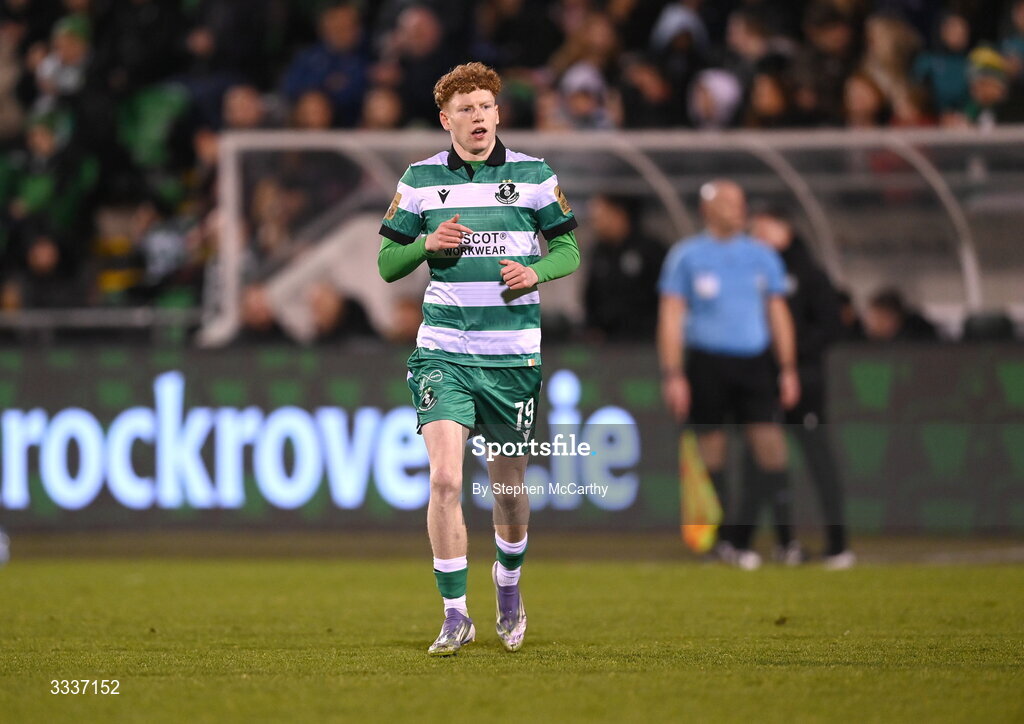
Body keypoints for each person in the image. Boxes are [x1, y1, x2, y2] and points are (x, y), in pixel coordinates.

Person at [376, 62, 579, 655]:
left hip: (513, 355)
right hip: (443, 350)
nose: (478, 117)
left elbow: (568, 248)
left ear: (498, 114)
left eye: (486, 107)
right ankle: (454, 613)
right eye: (465, 109)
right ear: (446, 120)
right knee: (443, 478)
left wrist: (534, 271)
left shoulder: (535, 176)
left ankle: (508, 589)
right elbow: (388, 266)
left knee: (508, 490)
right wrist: (424, 244)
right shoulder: (418, 180)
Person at [658, 180, 799, 570]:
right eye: (727, 202)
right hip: (706, 363)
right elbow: (671, 316)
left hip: (755, 364)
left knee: (770, 449)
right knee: (713, 456)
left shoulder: (762, 256)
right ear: (707, 209)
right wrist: (673, 373)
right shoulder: (686, 256)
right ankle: (723, 541)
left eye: (740, 201)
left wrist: (787, 368)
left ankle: (787, 541)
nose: (737, 208)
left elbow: (778, 314)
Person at [750, 206, 855, 569]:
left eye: (765, 224)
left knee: (818, 462)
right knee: (762, 463)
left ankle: (838, 544)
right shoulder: (755, 272)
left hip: (805, 383)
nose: (758, 233)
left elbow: (830, 327)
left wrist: (789, 358)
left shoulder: (810, 274)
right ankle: (778, 542)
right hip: (763, 382)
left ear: (786, 228)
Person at [583, 193, 665, 341]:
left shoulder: (651, 250)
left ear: (618, 214)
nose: (594, 222)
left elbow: (664, 297)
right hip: (607, 341)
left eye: (599, 217)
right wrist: (593, 326)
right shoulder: (598, 251)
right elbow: (590, 295)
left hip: (645, 340)